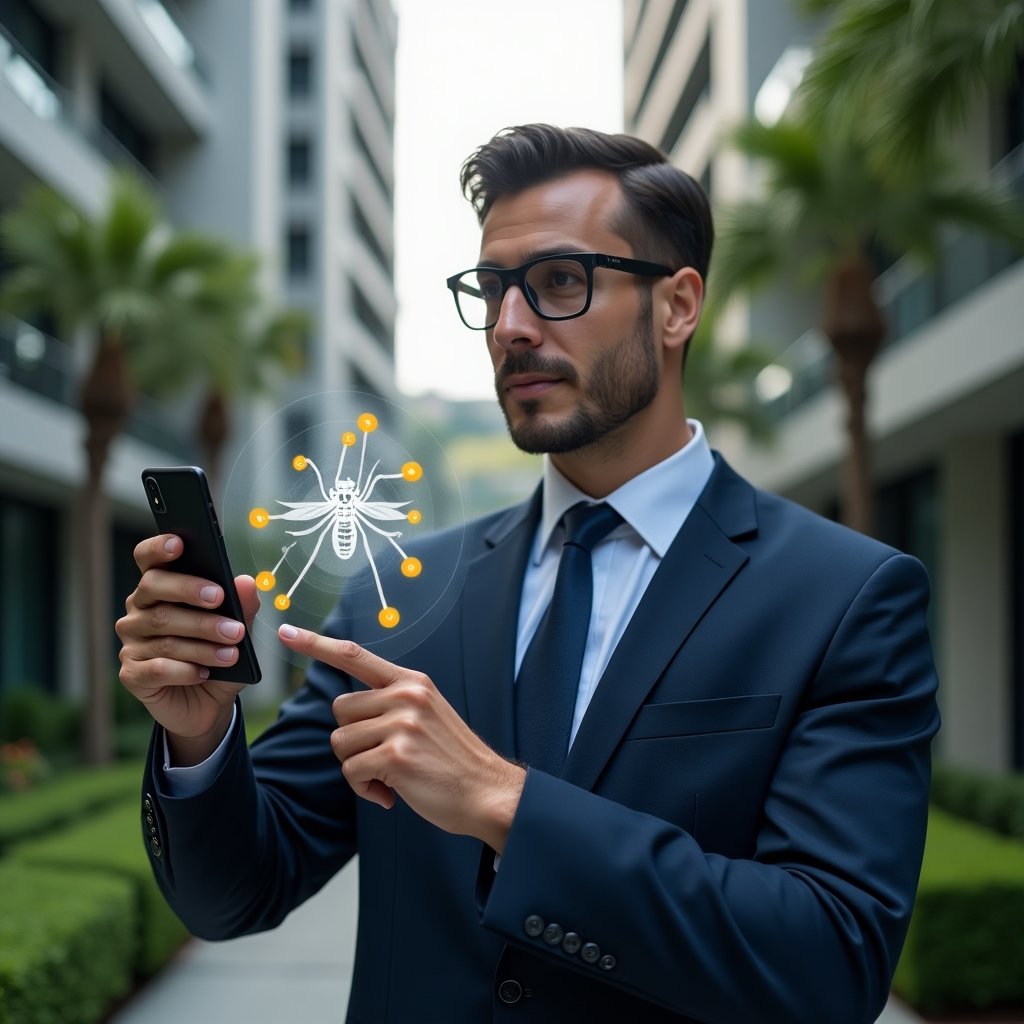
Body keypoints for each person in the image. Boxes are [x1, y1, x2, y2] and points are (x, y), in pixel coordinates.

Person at [116, 124, 940, 1024]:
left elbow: (832, 963)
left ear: (677, 306)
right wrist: (199, 741)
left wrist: (503, 802)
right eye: (493, 289)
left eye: (558, 282)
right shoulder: (398, 596)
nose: (509, 327)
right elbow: (237, 893)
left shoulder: (846, 598)